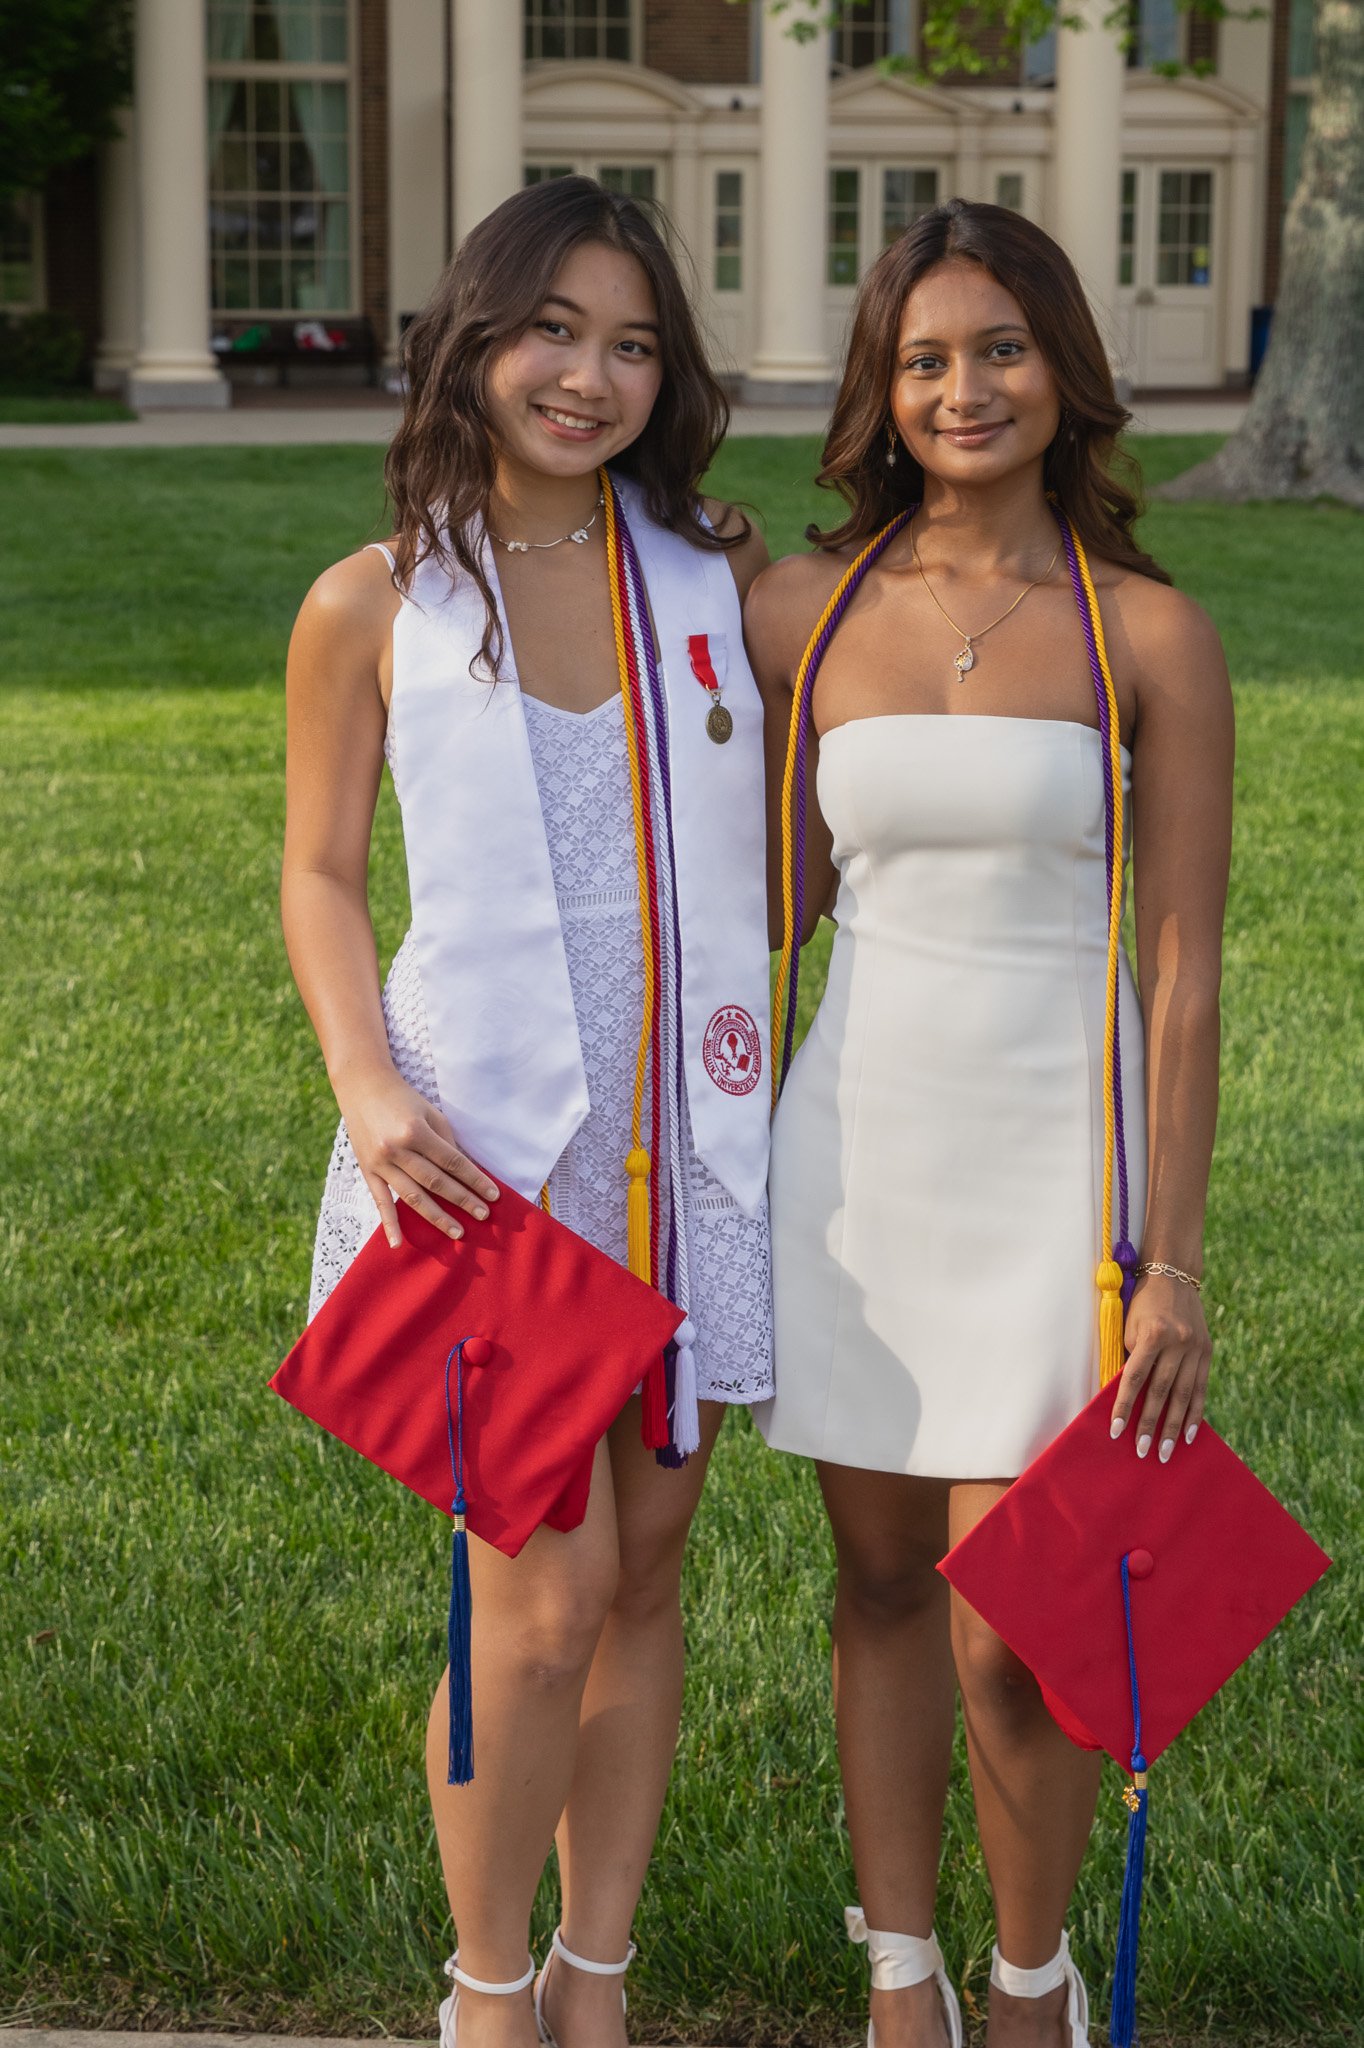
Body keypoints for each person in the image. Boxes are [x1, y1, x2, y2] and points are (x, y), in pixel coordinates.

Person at [281, 177, 773, 2048]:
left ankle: (598, 1978)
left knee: (649, 1579)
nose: (590, 374)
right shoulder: (379, 604)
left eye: (635, 342)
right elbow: (319, 872)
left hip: (688, 1141)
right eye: (554, 330)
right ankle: (486, 1994)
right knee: (540, 1602)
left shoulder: (708, 587)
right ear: (475, 339)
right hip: (486, 1153)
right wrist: (367, 1085)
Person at [746, 200, 1232, 2048]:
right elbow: (769, 908)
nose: (966, 387)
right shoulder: (810, 607)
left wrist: (1168, 1259)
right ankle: (902, 1983)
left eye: (1003, 348)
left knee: (1013, 1619)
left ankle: (1030, 1986)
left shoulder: (1152, 637)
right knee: (876, 1585)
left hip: (1061, 1173)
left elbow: (1183, 976)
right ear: (879, 384)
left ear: (1066, 369)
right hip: (856, 1157)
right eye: (928, 356)